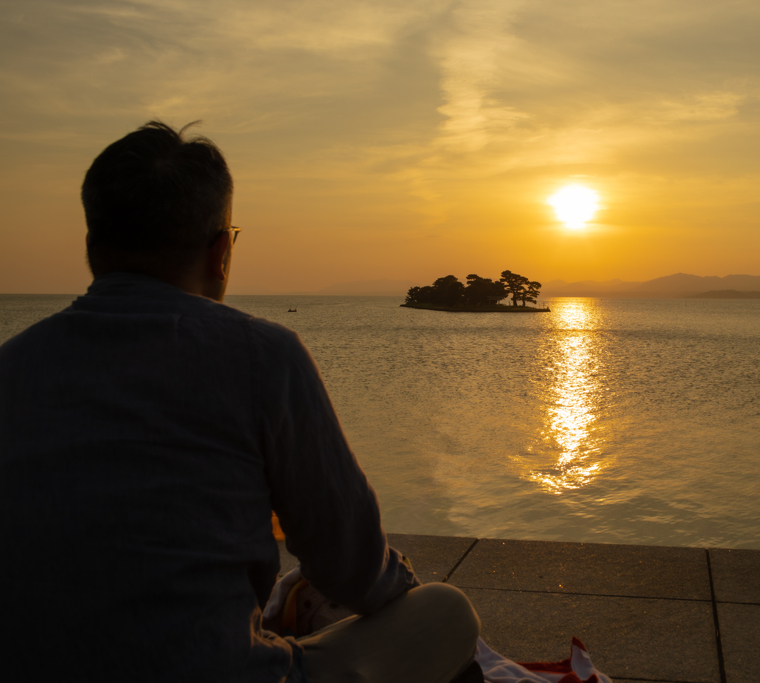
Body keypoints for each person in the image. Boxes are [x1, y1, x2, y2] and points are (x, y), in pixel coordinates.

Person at [0, 121, 481, 682]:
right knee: (445, 613)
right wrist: (399, 593)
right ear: (220, 251)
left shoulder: (12, 365)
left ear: (91, 248)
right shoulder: (262, 356)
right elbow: (351, 566)